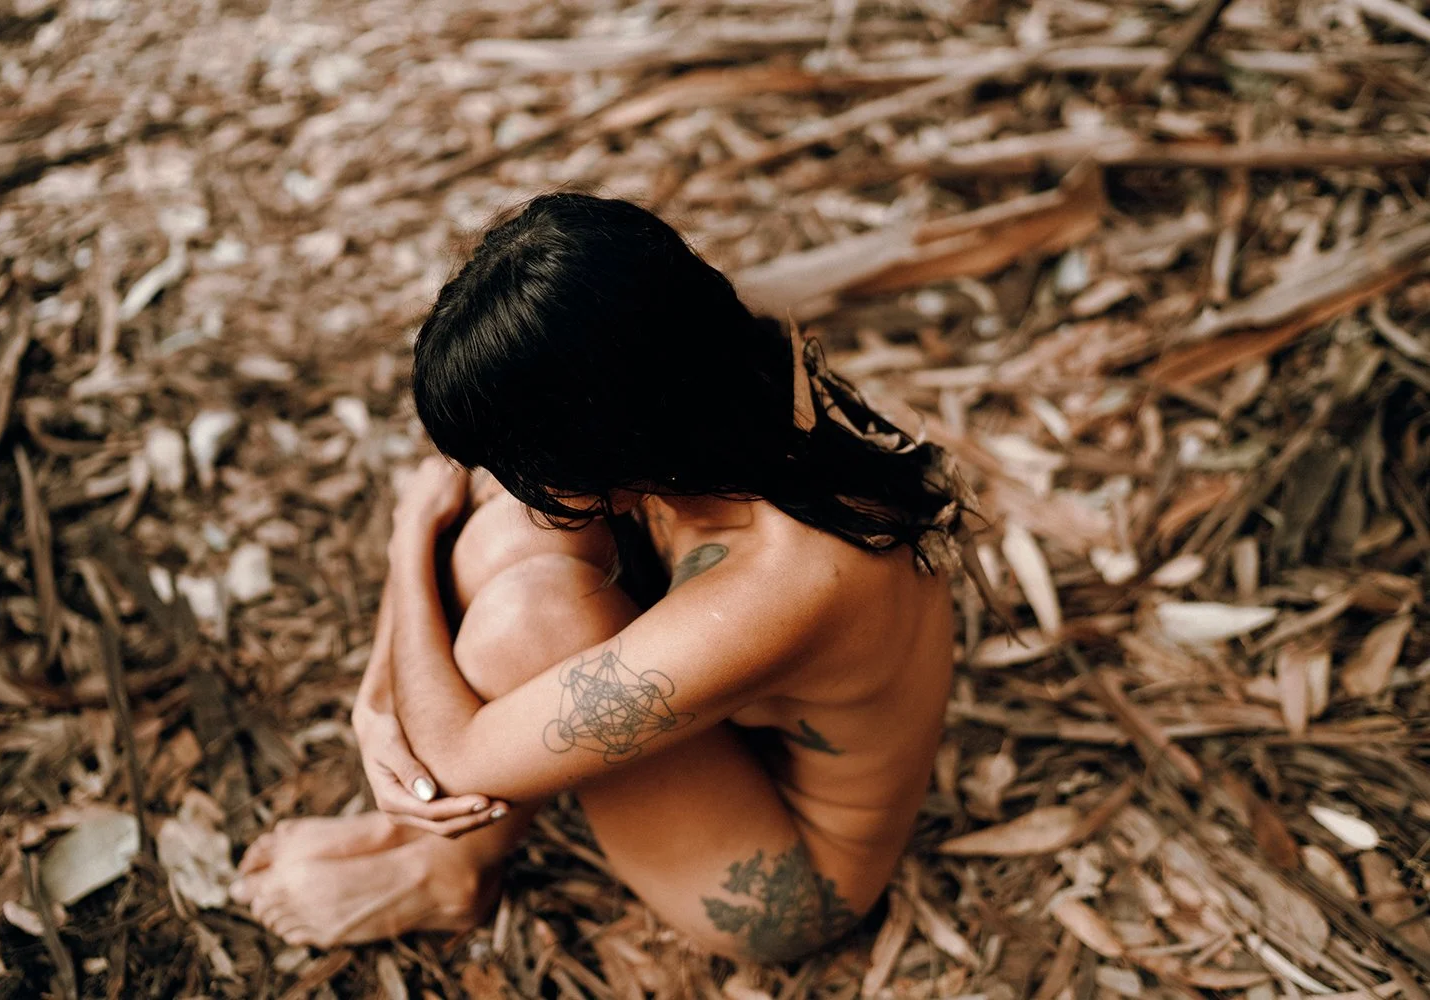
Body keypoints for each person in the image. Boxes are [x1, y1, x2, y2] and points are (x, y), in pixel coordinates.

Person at [229, 192, 972, 962]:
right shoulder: (706, 365)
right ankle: (430, 840)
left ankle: (450, 871)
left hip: (786, 869)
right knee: (504, 534)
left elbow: (457, 754)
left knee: (528, 621)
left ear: (612, 433)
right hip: (735, 705)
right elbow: (469, 477)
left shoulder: (782, 581)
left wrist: (406, 545)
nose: (506, 479)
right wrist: (375, 704)